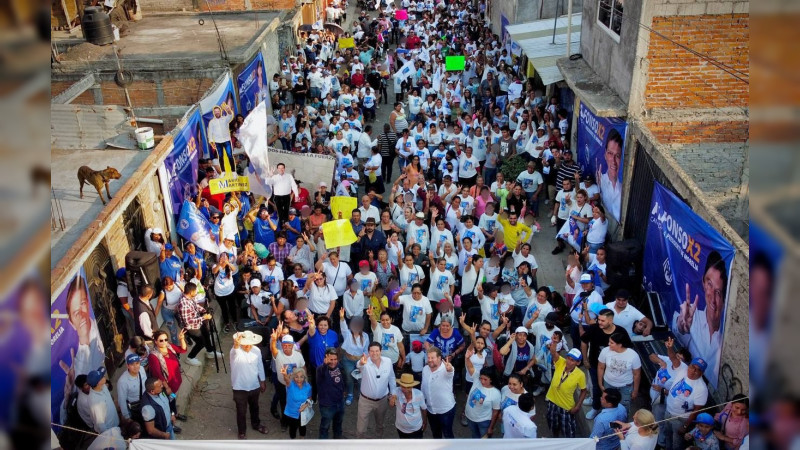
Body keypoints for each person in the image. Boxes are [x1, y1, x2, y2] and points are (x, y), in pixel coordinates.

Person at [672, 250, 728, 387]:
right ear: (703, 282)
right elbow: (678, 330)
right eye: (709, 284)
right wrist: (681, 325)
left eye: (719, 292)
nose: (712, 297)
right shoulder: (692, 314)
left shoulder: (726, 338)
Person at [581, 308, 627, 420]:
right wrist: (585, 360)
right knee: (596, 388)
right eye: (598, 320)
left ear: (610, 321)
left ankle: (611, 411)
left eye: (602, 321)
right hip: (595, 365)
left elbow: (628, 349)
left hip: (613, 369)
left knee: (611, 391)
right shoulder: (594, 329)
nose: (599, 323)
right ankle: (596, 407)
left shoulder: (621, 332)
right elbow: (584, 341)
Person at [661, 357, 710, 450]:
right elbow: (673, 358)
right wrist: (669, 348)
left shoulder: (702, 388)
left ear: (702, 373)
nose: (693, 371)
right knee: (667, 435)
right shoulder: (683, 369)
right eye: (692, 367)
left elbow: (696, 410)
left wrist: (685, 426)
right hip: (668, 411)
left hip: (680, 419)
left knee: (677, 443)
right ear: (689, 366)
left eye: (697, 370)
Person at [230, 330, 268, 439]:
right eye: (244, 343)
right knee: (241, 411)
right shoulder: (234, 351)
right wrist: (236, 344)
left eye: (249, 343)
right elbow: (235, 350)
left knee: (255, 407)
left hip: (254, 385)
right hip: (239, 387)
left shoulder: (256, 350)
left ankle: (256, 424)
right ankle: (242, 431)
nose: (247, 346)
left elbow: (260, 365)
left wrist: (262, 380)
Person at [146, 329, 188, 427]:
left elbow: (182, 350)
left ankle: (175, 413)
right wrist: (167, 387)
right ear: (155, 341)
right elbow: (158, 374)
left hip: (175, 380)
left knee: (172, 399)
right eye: (161, 340)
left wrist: (182, 339)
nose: (164, 342)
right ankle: (171, 423)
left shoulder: (169, 347)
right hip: (166, 385)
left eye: (166, 339)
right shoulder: (153, 356)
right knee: (168, 403)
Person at [545, 347, 588, 438]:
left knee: (568, 431)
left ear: (578, 363)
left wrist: (578, 406)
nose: (568, 361)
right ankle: (555, 441)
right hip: (552, 402)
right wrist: (554, 343)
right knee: (553, 426)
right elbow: (553, 352)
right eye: (568, 358)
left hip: (566, 408)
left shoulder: (580, 375)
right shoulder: (561, 362)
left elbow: (584, 391)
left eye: (572, 360)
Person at [355, 342, 395, 438]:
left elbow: (392, 378)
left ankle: (378, 444)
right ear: (368, 352)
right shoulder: (365, 362)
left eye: (377, 351)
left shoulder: (388, 362)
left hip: (382, 400)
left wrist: (393, 394)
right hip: (365, 401)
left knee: (380, 425)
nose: (374, 353)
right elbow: (358, 366)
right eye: (372, 351)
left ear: (381, 351)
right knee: (360, 429)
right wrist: (361, 362)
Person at [598, 331, 642, 416]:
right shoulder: (605, 351)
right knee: (607, 405)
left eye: (612, 343)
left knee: (623, 408)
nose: (608, 344)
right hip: (609, 384)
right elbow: (600, 367)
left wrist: (635, 390)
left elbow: (637, 374)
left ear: (620, 344)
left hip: (625, 386)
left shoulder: (633, 355)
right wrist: (600, 383)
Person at [270, 331, 306, 432]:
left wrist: (304, 380)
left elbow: (303, 367)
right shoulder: (279, 354)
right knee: (284, 404)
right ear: (282, 345)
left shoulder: (298, 355)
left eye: (289, 345)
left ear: (292, 345)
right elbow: (273, 348)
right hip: (282, 385)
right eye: (284, 345)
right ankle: (284, 423)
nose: (286, 347)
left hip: (295, 385)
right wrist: (273, 340)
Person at [178, 283, 220, 366]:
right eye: (195, 291)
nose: (197, 292)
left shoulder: (190, 298)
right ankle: (190, 358)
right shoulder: (184, 304)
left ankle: (210, 351)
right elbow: (188, 322)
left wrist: (204, 310)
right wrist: (204, 318)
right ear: (191, 292)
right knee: (201, 342)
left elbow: (195, 306)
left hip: (199, 323)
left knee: (207, 335)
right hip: (192, 328)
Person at [421, 347, 456, 439]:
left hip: (445, 410)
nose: (430, 360)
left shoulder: (446, 369)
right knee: (436, 435)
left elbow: (450, 372)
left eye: (432, 358)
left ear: (440, 358)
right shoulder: (425, 369)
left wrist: (450, 369)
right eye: (428, 358)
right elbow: (423, 387)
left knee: (448, 434)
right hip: (431, 410)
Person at [339, 310, 369, 406]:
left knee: (360, 378)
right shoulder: (347, 334)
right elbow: (343, 327)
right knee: (349, 378)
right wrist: (342, 317)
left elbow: (366, 350)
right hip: (348, 360)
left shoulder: (365, 336)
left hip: (360, 361)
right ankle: (350, 394)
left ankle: (361, 394)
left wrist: (364, 361)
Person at [316, 348, 346, 439]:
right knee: (325, 427)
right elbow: (322, 372)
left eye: (335, 359)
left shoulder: (339, 367)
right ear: (325, 358)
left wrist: (343, 391)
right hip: (327, 405)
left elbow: (342, 380)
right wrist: (325, 364)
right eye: (330, 359)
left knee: (338, 424)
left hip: (340, 402)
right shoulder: (320, 369)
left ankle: (337, 440)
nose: (333, 362)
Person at [464, 367, 502, 439]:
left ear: (491, 379)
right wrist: (467, 357)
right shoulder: (476, 381)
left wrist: (491, 427)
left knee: (484, 441)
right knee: (475, 436)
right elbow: (470, 367)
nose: (482, 381)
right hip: (470, 418)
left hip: (483, 422)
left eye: (485, 379)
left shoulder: (496, 393)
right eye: (481, 378)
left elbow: (495, 412)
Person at [390, 373, 428, 439]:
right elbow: (391, 404)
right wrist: (391, 401)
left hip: (416, 429)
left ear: (412, 386)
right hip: (401, 429)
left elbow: (424, 409)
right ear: (400, 385)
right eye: (403, 386)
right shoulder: (396, 391)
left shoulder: (419, 395)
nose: (405, 389)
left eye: (408, 387)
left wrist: (425, 421)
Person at [596, 128, 623, 221]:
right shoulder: (601, 180)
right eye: (610, 153)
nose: (613, 161)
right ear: (605, 154)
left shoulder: (624, 189)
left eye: (618, 156)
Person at [280, 366, 312, 439]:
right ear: (293, 377)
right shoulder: (290, 385)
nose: (299, 379)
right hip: (292, 413)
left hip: (303, 413)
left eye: (301, 377)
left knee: (303, 428)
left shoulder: (308, 386)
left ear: (304, 377)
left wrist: (306, 405)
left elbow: (309, 398)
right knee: (292, 430)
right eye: (296, 377)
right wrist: (285, 375)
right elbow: (286, 380)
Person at [369, 308, 405, 373]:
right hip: (379, 361)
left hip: (393, 361)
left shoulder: (396, 329)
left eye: (387, 320)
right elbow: (373, 321)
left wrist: (403, 358)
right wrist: (371, 315)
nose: (385, 322)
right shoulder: (377, 327)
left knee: (392, 379)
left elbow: (400, 346)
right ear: (380, 320)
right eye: (382, 320)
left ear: (391, 320)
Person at [86, 367, 119, 434]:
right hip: (110, 430)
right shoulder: (94, 402)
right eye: (102, 376)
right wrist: (108, 435)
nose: (104, 376)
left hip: (115, 422)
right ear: (98, 383)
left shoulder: (103, 386)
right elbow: (100, 424)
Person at [116, 354, 147, 422]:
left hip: (146, 401)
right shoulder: (123, 381)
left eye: (137, 363)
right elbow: (122, 400)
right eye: (132, 364)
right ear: (127, 366)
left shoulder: (141, 369)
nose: (135, 366)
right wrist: (127, 417)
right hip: (135, 407)